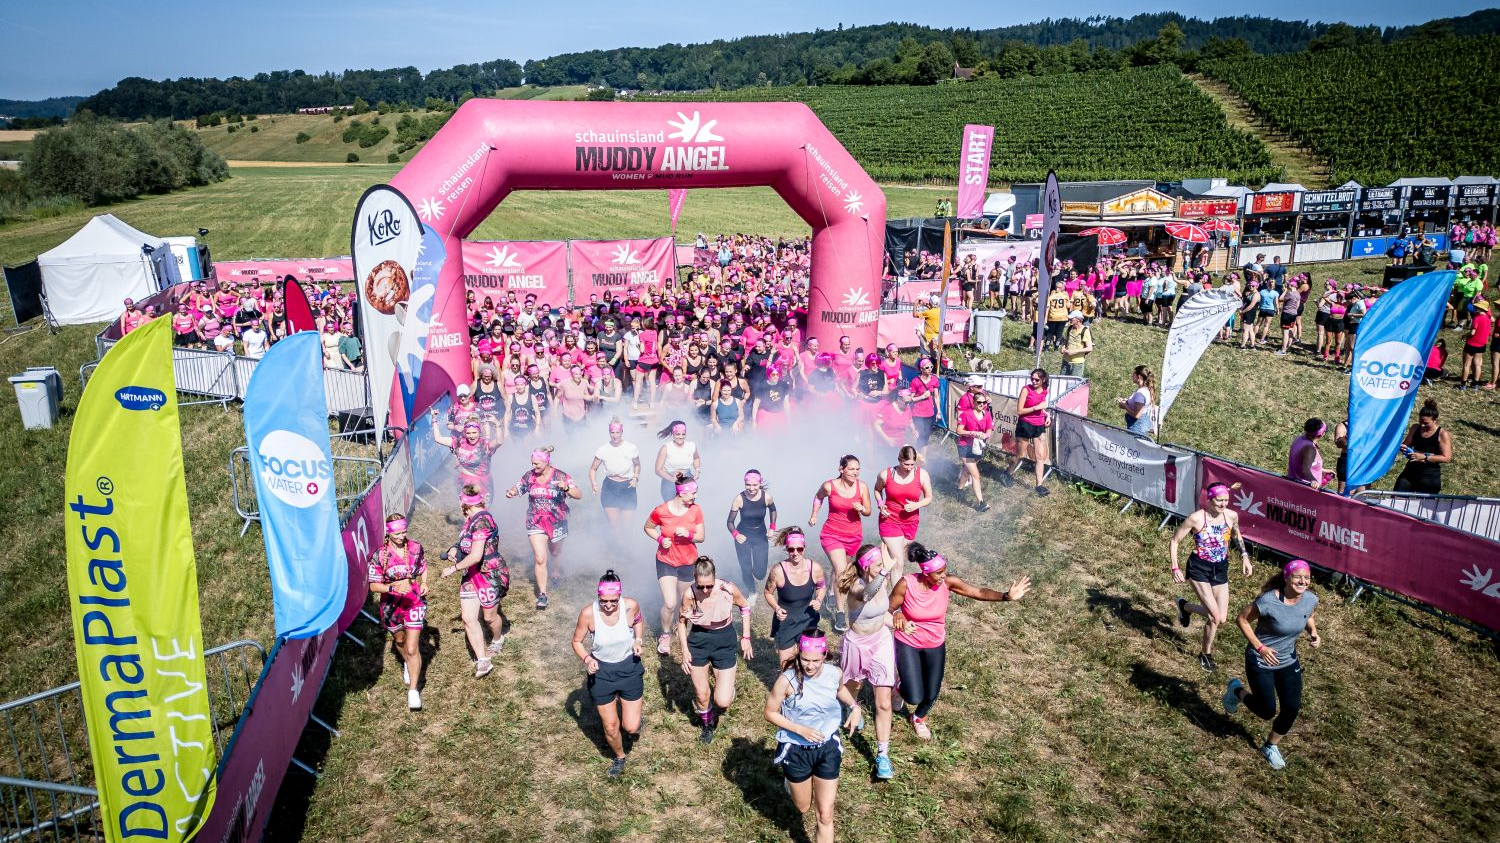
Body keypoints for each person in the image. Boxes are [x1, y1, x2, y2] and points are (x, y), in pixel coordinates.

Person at [888, 543, 1029, 739]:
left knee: (931, 694)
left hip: (935, 643)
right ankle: (898, 689)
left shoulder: (947, 583)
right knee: (913, 695)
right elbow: (889, 608)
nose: (943, 576)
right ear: (925, 573)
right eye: (939, 573)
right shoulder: (906, 584)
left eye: (944, 570)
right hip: (908, 641)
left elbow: (978, 592)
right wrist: (898, 616)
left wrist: (1006, 596)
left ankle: (918, 718)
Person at [765, 628, 863, 843]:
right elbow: (770, 712)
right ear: (799, 654)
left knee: (825, 815)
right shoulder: (786, 680)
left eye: (816, 660)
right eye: (805, 659)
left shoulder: (834, 673)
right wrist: (800, 729)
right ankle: (790, 782)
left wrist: (855, 706)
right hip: (796, 749)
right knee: (802, 807)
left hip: (827, 748)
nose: (809, 665)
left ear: (824, 655)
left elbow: (839, 690)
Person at [1223, 559, 1321, 771]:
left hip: (1287, 661)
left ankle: (1270, 746)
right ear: (1286, 577)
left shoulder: (1311, 599)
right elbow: (1241, 620)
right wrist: (1260, 648)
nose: (1302, 581)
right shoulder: (1268, 601)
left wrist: (1313, 632)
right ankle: (1236, 691)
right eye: (1297, 577)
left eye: (1307, 578)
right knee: (1267, 710)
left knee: (1291, 709)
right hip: (1260, 661)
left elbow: (1308, 616)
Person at [1170, 482, 1253, 673]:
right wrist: (1175, 567)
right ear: (1209, 500)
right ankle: (1205, 654)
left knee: (1222, 618)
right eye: (1219, 500)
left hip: (1220, 568)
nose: (1223, 504)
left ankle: (1185, 607)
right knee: (1214, 617)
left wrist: (1245, 556)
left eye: (1226, 500)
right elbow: (1175, 541)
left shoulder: (1231, 516)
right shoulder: (1196, 519)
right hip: (1199, 568)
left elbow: (1236, 534)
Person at [570, 569, 645, 778]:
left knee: (631, 727)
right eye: (604, 601)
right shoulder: (588, 614)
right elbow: (576, 641)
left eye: (613, 601)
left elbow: (638, 621)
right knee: (611, 727)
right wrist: (587, 659)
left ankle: (635, 719)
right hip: (602, 673)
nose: (609, 606)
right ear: (598, 596)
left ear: (620, 596)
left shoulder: (630, 606)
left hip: (629, 668)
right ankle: (619, 757)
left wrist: (638, 640)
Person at [677, 556, 754, 743]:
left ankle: (726, 689)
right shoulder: (689, 594)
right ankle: (708, 725)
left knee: (723, 701)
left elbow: (745, 607)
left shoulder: (728, 589)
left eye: (709, 586)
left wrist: (746, 637)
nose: (705, 590)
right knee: (702, 694)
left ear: (715, 578)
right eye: (700, 585)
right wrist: (685, 651)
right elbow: (681, 622)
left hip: (724, 640)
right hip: (698, 641)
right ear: (695, 578)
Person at [837, 545, 898, 780]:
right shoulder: (856, 587)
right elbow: (867, 595)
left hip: (881, 641)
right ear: (866, 568)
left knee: (883, 702)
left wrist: (898, 623)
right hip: (857, 644)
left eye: (882, 565)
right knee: (852, 687)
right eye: (879, 565)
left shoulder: (881, 580)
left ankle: (883, 754)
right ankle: (850, 708)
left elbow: (880, 613)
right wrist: (884, 574)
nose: (883, 568)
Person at [440, 485, 509, 678]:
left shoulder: (482, 521)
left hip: (489, 574)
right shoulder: (470, 520)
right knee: (469, 618)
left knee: (489, 617)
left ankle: (497, 638)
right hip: (470, 575)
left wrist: (453, 568)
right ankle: (483, 661)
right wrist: (455, 549)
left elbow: (477, 555)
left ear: (465, 505)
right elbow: (465, 542)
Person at [504, 446, 583, 610]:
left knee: (555, 552)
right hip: (535, 521)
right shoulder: (529, 476)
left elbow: (578, 494)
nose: (534, 467)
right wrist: (511, 492)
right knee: (540, 558)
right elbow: (518, 487)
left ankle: (555, 571)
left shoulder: (560, 475)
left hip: (557, 521)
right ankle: (542, 594)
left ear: (547, 462)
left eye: (537, 464)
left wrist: (566, 488)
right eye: (532, 463)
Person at [369, 514, 428, 711]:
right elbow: (374, 587)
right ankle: (407, 662)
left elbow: (423, 566)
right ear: (389, 533)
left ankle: (413, 691)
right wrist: (393, 588)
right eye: (397, 533)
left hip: (414, 601)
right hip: (391, 605)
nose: (402, 536)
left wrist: (425, 582)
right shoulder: (379, 555)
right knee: (400, 641)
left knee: (412, 647)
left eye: (404, 531)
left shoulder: (415, 548)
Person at [645, 474, 706, 657]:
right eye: (693, 493)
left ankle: (682, 627)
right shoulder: (661, 510)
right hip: (666, 560)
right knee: (670, 603)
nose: (695, 496)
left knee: (684, 601)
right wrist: (660, 538)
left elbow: (701, 537)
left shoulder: (695, 510)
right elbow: (648, 527)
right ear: (681, 493)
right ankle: (665, 635)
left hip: (688, 561)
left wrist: (688, 534)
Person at [809, 455, 872, 633]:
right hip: (831, 534)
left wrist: (862, 509)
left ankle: (830, 591)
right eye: (851, 469)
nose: (855, 472)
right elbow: (818, 497)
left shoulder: (862, 487)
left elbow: (868, 510)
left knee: (839, 570)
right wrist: (814, 514)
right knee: (843, 571)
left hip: (853, 535)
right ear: (841, 469)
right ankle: (840, 612)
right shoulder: (830, 485)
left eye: (858, 469)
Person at [765, 527, 828, 663]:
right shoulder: (778, 571)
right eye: (791, 549)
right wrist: (776, 608)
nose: (795, 553)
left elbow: (821, 586)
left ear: (804, 547)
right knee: (787, 665)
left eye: (799, 549)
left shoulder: (815, 568)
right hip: (786, 622)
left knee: (808, 663)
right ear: (786, 549)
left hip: (808, 619)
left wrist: (819, 599)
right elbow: (768, 593)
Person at [872, 445, 933, 575]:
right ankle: (896, 595)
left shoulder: (922, 475)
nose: (910, 468)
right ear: (899, 460)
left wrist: (917, 505)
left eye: (912, 464)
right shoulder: (885, 474)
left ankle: (878, 576)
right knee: (898, 561)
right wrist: (880, 504)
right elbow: (877, 490)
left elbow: (928, 498)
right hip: (889, 520)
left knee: (894, 559)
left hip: (910, 522)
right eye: (906, 464)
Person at [727, 470, 777, 594]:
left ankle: (758, 566)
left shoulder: (767, 497)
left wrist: (772, 527)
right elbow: (729, 522)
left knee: (760, 574)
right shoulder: (739, 499)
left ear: (760, 484)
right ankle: (752, 592)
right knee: (746, 568)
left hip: (760, 535)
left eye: (755, 485)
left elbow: (773, 510)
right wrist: (736, 535)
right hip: (743, 536)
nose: (751, 488)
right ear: (744, 484)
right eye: (748, 485)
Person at [1002, 369, 1051, 496]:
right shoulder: (1026, 390)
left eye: (1037, 380)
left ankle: (1039, 485)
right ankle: (1007, 473)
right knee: (1020, 455)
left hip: (1039, 425)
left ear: (1043, 380)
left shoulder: (1045, 390)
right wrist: (1036, 408)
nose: (1033, 381)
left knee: (1041, 457)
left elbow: (1042, 408)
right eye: (1032, 379)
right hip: (1025, 424)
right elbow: (1020, 410)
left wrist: (1047, 414)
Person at [589, 418, 641, 532]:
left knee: (627, 526)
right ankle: (620, 549)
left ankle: (628, 547)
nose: (615, 435)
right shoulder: (603, 449)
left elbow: (637, 465)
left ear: (622, 432)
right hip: (610, 487)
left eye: (618, 432)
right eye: (612, 432)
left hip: (627, 486)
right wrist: (594, 483)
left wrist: (635, 478)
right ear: (609, 433)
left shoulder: (631, 447)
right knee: (615, 525)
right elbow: (593, 469)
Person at [431, 417, 500, 501]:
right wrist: (434, 420)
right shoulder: (459, 442)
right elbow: (438, 439)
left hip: (483, 483)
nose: (471, 436)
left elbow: (499, 442)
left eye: (474, 432)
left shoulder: (484, 444)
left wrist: (497, 424)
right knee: (468, 511)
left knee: (483, 510)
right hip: (465, 482)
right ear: (465, 433)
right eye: (468, 433)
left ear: (479, 432)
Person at [1394, 399, 1451, 494]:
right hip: (1410, 471)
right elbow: (1406, 444)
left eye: (1426, 423)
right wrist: (1403, 448)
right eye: (1420, 421)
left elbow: (1447, 457)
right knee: (1396, 498)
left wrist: (1425, 457)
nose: (1422, 425)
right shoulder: (1415, 428)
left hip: (1429, 475)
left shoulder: (1442, 434)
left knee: (1423, 506)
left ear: (1435, 420)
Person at [654, 420, 701, 502]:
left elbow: (696, 458)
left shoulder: (691, 445)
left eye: (683, 434)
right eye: (678, 434)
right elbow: (658, 470)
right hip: (670, 481)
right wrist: (671, 478)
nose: (681, 437)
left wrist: (697, 470)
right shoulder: (666, 448)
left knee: (688, 505)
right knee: (671, 507)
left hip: (687, 478)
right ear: (673, 434)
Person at [1286, 418, 1331, 491]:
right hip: (1304, 489)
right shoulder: (1310, 449)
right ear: (1321, 435)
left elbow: (1302, 462)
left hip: (1293, 484)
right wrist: (1314, 481)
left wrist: (1321, 470)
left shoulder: (1300, 439)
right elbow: (1305, 469)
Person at [1460, 299, 1491, 391]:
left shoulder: (1477, 318)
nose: (1475, 307)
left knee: (1467, 364)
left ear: (1480, 308)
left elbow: (1472, 332)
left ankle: (1463, 384)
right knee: (1478, 364)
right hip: (1482, 344)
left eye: (1477, 307)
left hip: (1472, 343)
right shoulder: (1488, 318)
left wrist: (1465, 335)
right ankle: (1475, 384)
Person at [1116, 365, 1156, 437]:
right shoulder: (1147, 390)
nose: (1132, 376)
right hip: (1141, 426)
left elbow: (1136, 415)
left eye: (1133, 375)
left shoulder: (1140, 394)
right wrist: (1128, 401)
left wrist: (1124, 406)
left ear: (1139, 377)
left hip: (1137, 428)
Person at [1059, 310, 1093, 376]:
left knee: (1075, 384)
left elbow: (1089, 348)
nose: (1069, 320)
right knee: (1063, 381)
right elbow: (1066, 341)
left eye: (1072, 318)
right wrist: (1062, 348)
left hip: (1077, 363)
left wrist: (1075, 351)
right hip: (1066, 361)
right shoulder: (1070, 328)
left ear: (1078, 320)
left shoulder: (1085, 331)